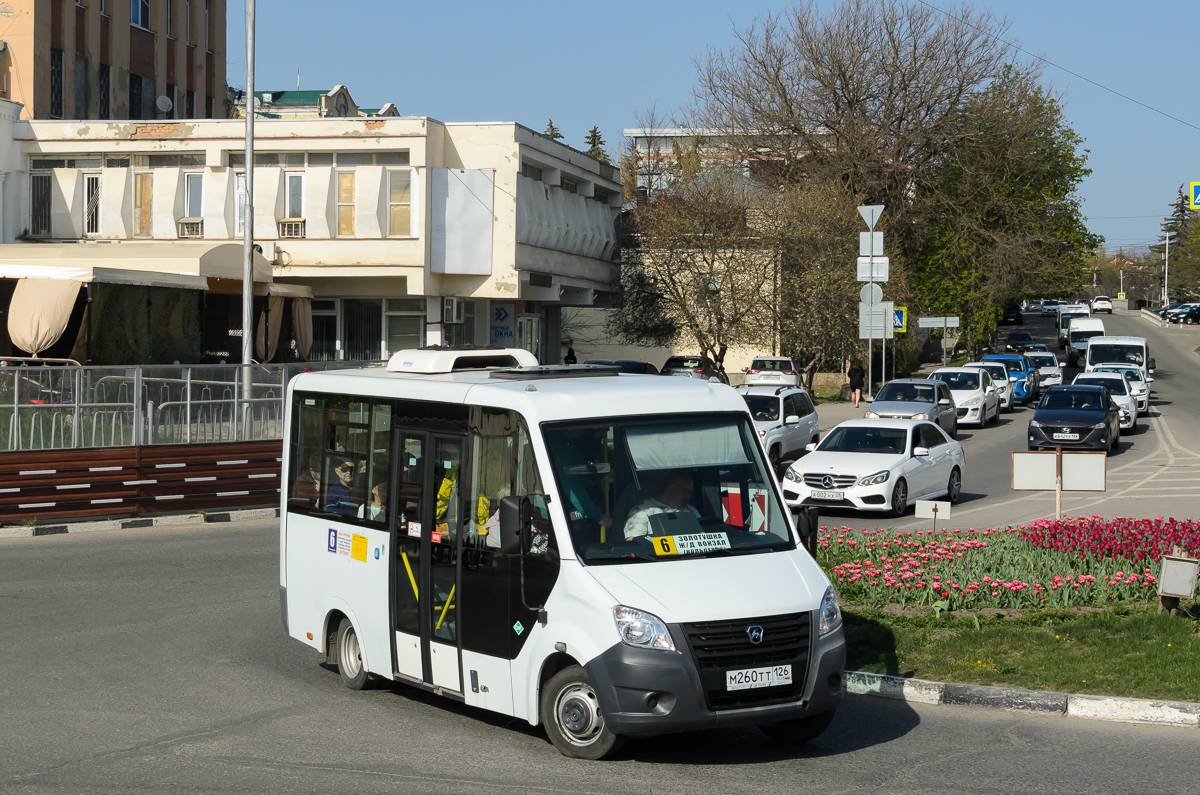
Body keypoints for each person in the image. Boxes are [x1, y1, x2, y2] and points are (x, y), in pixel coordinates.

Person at [624, 472, 702, 541]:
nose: (688, 497)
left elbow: (704, 535)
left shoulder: (691, 511)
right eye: (685, 492)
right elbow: (633, 541)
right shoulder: (643, 511)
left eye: (690, 493)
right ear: (672, 486)